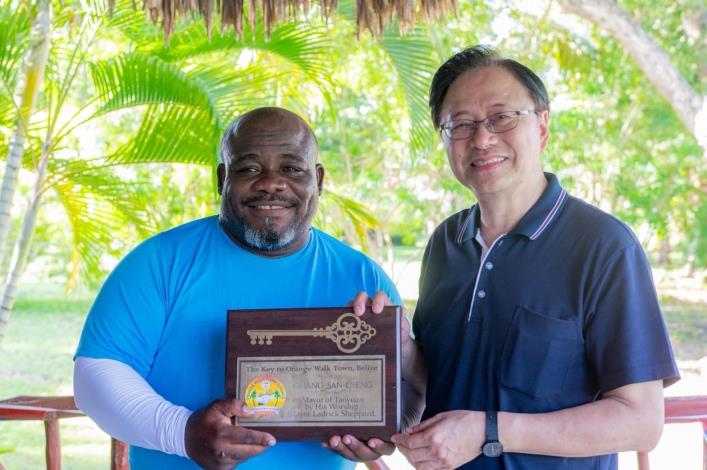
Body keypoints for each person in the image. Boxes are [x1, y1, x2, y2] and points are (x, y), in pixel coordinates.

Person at [387, 45, 680, 469]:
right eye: (462, 125)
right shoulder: (444, 243)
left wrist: (490, 431)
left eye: (501, 118)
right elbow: (447, 378)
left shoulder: (603, 246)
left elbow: (641, 421)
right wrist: (401, 348)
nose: (482, 139)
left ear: (541, 127)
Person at [73, 107, 404, 470]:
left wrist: (382, 433)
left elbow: (406, 393)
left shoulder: (363, 278)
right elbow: (94, 377)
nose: (271, 183)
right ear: (221, 179)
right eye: (248, 168)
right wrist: (181, 432)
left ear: (319, 180)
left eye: (292, 168)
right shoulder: (158, 262)